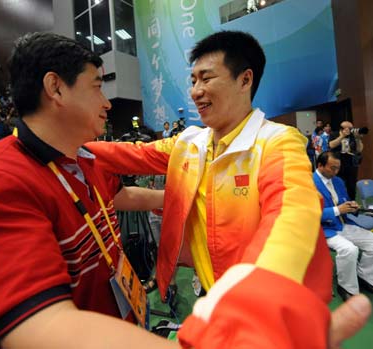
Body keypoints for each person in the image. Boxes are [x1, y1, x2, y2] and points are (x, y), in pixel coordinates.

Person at [86, 30, 362, 347]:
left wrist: (245, 301)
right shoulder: (190, 142)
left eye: (206, 78)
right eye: (192, 81)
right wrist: (60, 142)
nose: (195, 91)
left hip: (265, 310)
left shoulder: (276, 142)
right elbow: (130, 154)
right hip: (216, 296)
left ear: (245, 80)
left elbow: (290, 219)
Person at [0, 32, 175, 349]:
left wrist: (178, 199)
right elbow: (40, 326)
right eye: (97, 87)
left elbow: (118, 197)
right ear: (56, 88)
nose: (106, 103)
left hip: (115, 323)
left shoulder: (83, 157)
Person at [313, 151, 373, 301]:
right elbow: (309, 213)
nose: (336, 172)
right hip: (324, 229)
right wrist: (337, 210)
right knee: (349, 249)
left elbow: (344, 200)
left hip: (343, 224)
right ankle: (347, 287)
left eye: (338, 168)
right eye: (332, 168)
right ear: (320, 165)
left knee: (372, 241)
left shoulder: (338, 181)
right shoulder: (308, 183)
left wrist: (351, 205)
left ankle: (364, 275)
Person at [329, 121, 364, 200]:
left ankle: (352, 203)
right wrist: (342, 136)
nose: (350, 130)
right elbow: (331, 145)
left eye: (351, 128)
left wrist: (358, 139)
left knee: (351, 186)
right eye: (348, 128)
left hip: (351, 164)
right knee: (337, 184)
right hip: (338, 163)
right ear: (341, 129)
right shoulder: (334, 134)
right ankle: (339, 203)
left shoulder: (353, 136)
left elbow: (359, 150)